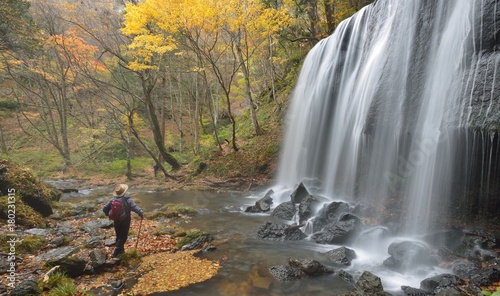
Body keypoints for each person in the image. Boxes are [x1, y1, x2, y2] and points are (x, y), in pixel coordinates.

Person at [103, 183, 144, 257]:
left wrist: (108, 214)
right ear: (124, 192)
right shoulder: (128, 200)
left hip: (116, 220)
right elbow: (135, 207)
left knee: (118, 235)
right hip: (126, 220)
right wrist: (141, 213)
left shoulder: (112, 200)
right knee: (123, 236)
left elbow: (104, 208)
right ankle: (116, 251)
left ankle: (121, 251)